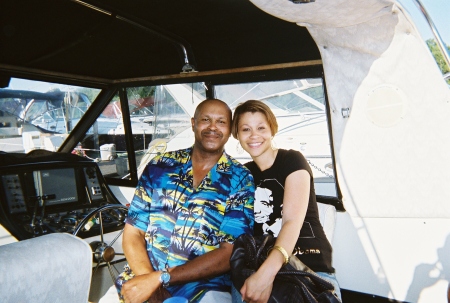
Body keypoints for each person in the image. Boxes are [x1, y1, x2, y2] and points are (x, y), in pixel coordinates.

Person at [116, 99, 255, 303]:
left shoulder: (240, 179)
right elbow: (133, 232)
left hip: (203, 288)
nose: (213, 127)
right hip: (141, 277)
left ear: (229, 128)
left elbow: (229, 252)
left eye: (221, 122)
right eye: (205, 120)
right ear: (193, 123)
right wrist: (150, 285)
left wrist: (161, 279)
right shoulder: (159, 166)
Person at [230, 100, 341, 303]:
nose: (254, 135)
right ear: (237, 135)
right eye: (245, 129)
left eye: (261, 128)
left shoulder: (292, 160)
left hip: (308, 269)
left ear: (273, 130)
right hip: (259, 265)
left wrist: (266, 274)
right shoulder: (242, 174)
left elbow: (291, 221)